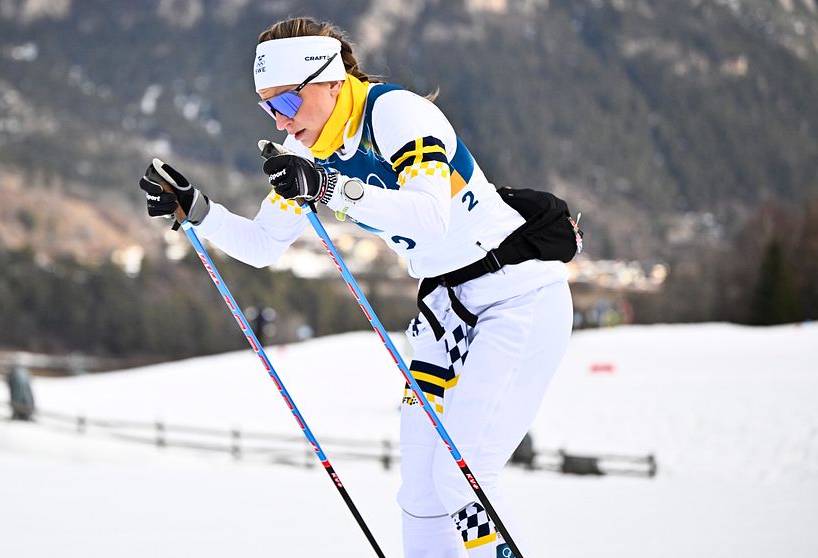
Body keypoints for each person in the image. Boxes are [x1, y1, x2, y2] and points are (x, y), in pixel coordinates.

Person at [139, 17, 573, 558]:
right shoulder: (308, 151)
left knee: (463, 477)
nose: (282, 120)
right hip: (448, 308)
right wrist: (198, 211)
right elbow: (265, 244)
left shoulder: (396, 114)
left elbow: (430, 217)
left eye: (288, 102)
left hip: (516, 296)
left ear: (330, 81)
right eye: (268, 108)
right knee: (419, 492)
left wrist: (329, 188)